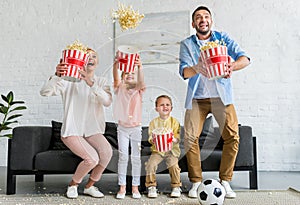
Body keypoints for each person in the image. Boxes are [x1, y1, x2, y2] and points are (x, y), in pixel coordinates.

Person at [179, 6, 250, 199]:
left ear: (211, 21)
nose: (203, 20)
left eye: (206, 16)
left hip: (221, 97)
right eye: (198, 18)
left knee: (233, 136)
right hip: (197, 99)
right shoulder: (187, 44)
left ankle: (225, 181)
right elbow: (184, 72)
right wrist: (197, 67)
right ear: (194, 24)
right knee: (190, 138)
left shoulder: (223, 39)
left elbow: (245, 58)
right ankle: (195, 182)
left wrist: (232, 65)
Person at [40, 48, 113, 199]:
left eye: (93, 56)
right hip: (72, 131)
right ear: (80, 61)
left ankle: (90, 186)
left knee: (107, 153)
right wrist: (57, 76)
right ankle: (73, 184)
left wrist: (90, 83)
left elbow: (106, 102)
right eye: (86, 56)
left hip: (92, 131)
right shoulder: (68, 81)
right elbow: (45, 92)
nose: (90, 59)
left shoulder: (101, 82)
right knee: (92, 159)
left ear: (97, 61)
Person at [112, 52, 145, 199]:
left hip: (136, 128)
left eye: (133, 73)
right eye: (127, 73)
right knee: (123, 157)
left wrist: (139, 67)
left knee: (136, 158)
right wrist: (116, 64)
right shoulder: (120, 87)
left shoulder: (139, 89)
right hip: (123, 129)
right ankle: (122, 187)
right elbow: (116, 77)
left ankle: (135, 187)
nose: (130, 75)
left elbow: (141, 81)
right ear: (123, 76)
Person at [145, 95, 182, 198]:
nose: (165, 107)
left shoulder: (175, 122)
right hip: (157, 150)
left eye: (167, 105)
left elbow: (178, 136)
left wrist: (173, 139)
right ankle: (151, 186)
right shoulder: (153, 123)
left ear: (171, 108)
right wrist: (154, 139)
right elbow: (150, 137)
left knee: (173, 165)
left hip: (172, 150)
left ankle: (176, 186)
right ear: (157, 108)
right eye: (161, 105)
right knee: (150, 165)